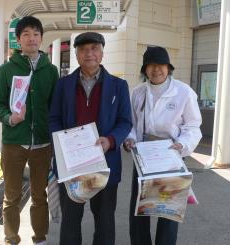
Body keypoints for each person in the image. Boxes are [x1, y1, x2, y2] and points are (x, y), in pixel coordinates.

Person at [49, 32, 133, 245]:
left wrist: (111, 140)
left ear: (102, 53)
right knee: (70, 219)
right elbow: (53, 119)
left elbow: (125, 121)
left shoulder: (119, 85)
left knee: (105, 219)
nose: (89, 54)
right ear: (76, 55)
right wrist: (62, 143)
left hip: (105, 163)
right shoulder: (63, 84)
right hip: (71, 164)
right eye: (84, 49)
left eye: (94, 48)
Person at [123, 46, 202, 245]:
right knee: (140, 208)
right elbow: (130, 123)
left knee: (168, 210)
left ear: (168, 68)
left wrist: (182, 144)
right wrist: (130, 138)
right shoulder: (137, 92)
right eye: (150, 65)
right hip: (143, 157)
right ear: (144, 69)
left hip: (171, 157)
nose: (156, 69)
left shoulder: (184, 92)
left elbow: (193, 126)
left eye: (161, 65)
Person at [0, 16, 58, 245]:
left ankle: (40, 238)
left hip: (42, 143)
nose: (31, 38)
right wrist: (10, 118)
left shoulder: (51, 71)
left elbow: (55, 106)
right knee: (11, 196)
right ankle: (11, 239)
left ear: (41, 38)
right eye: (26, 34)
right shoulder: (6, 69)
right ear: (18, 40)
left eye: (36, 34)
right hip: (13, 142)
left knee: (40, 195)